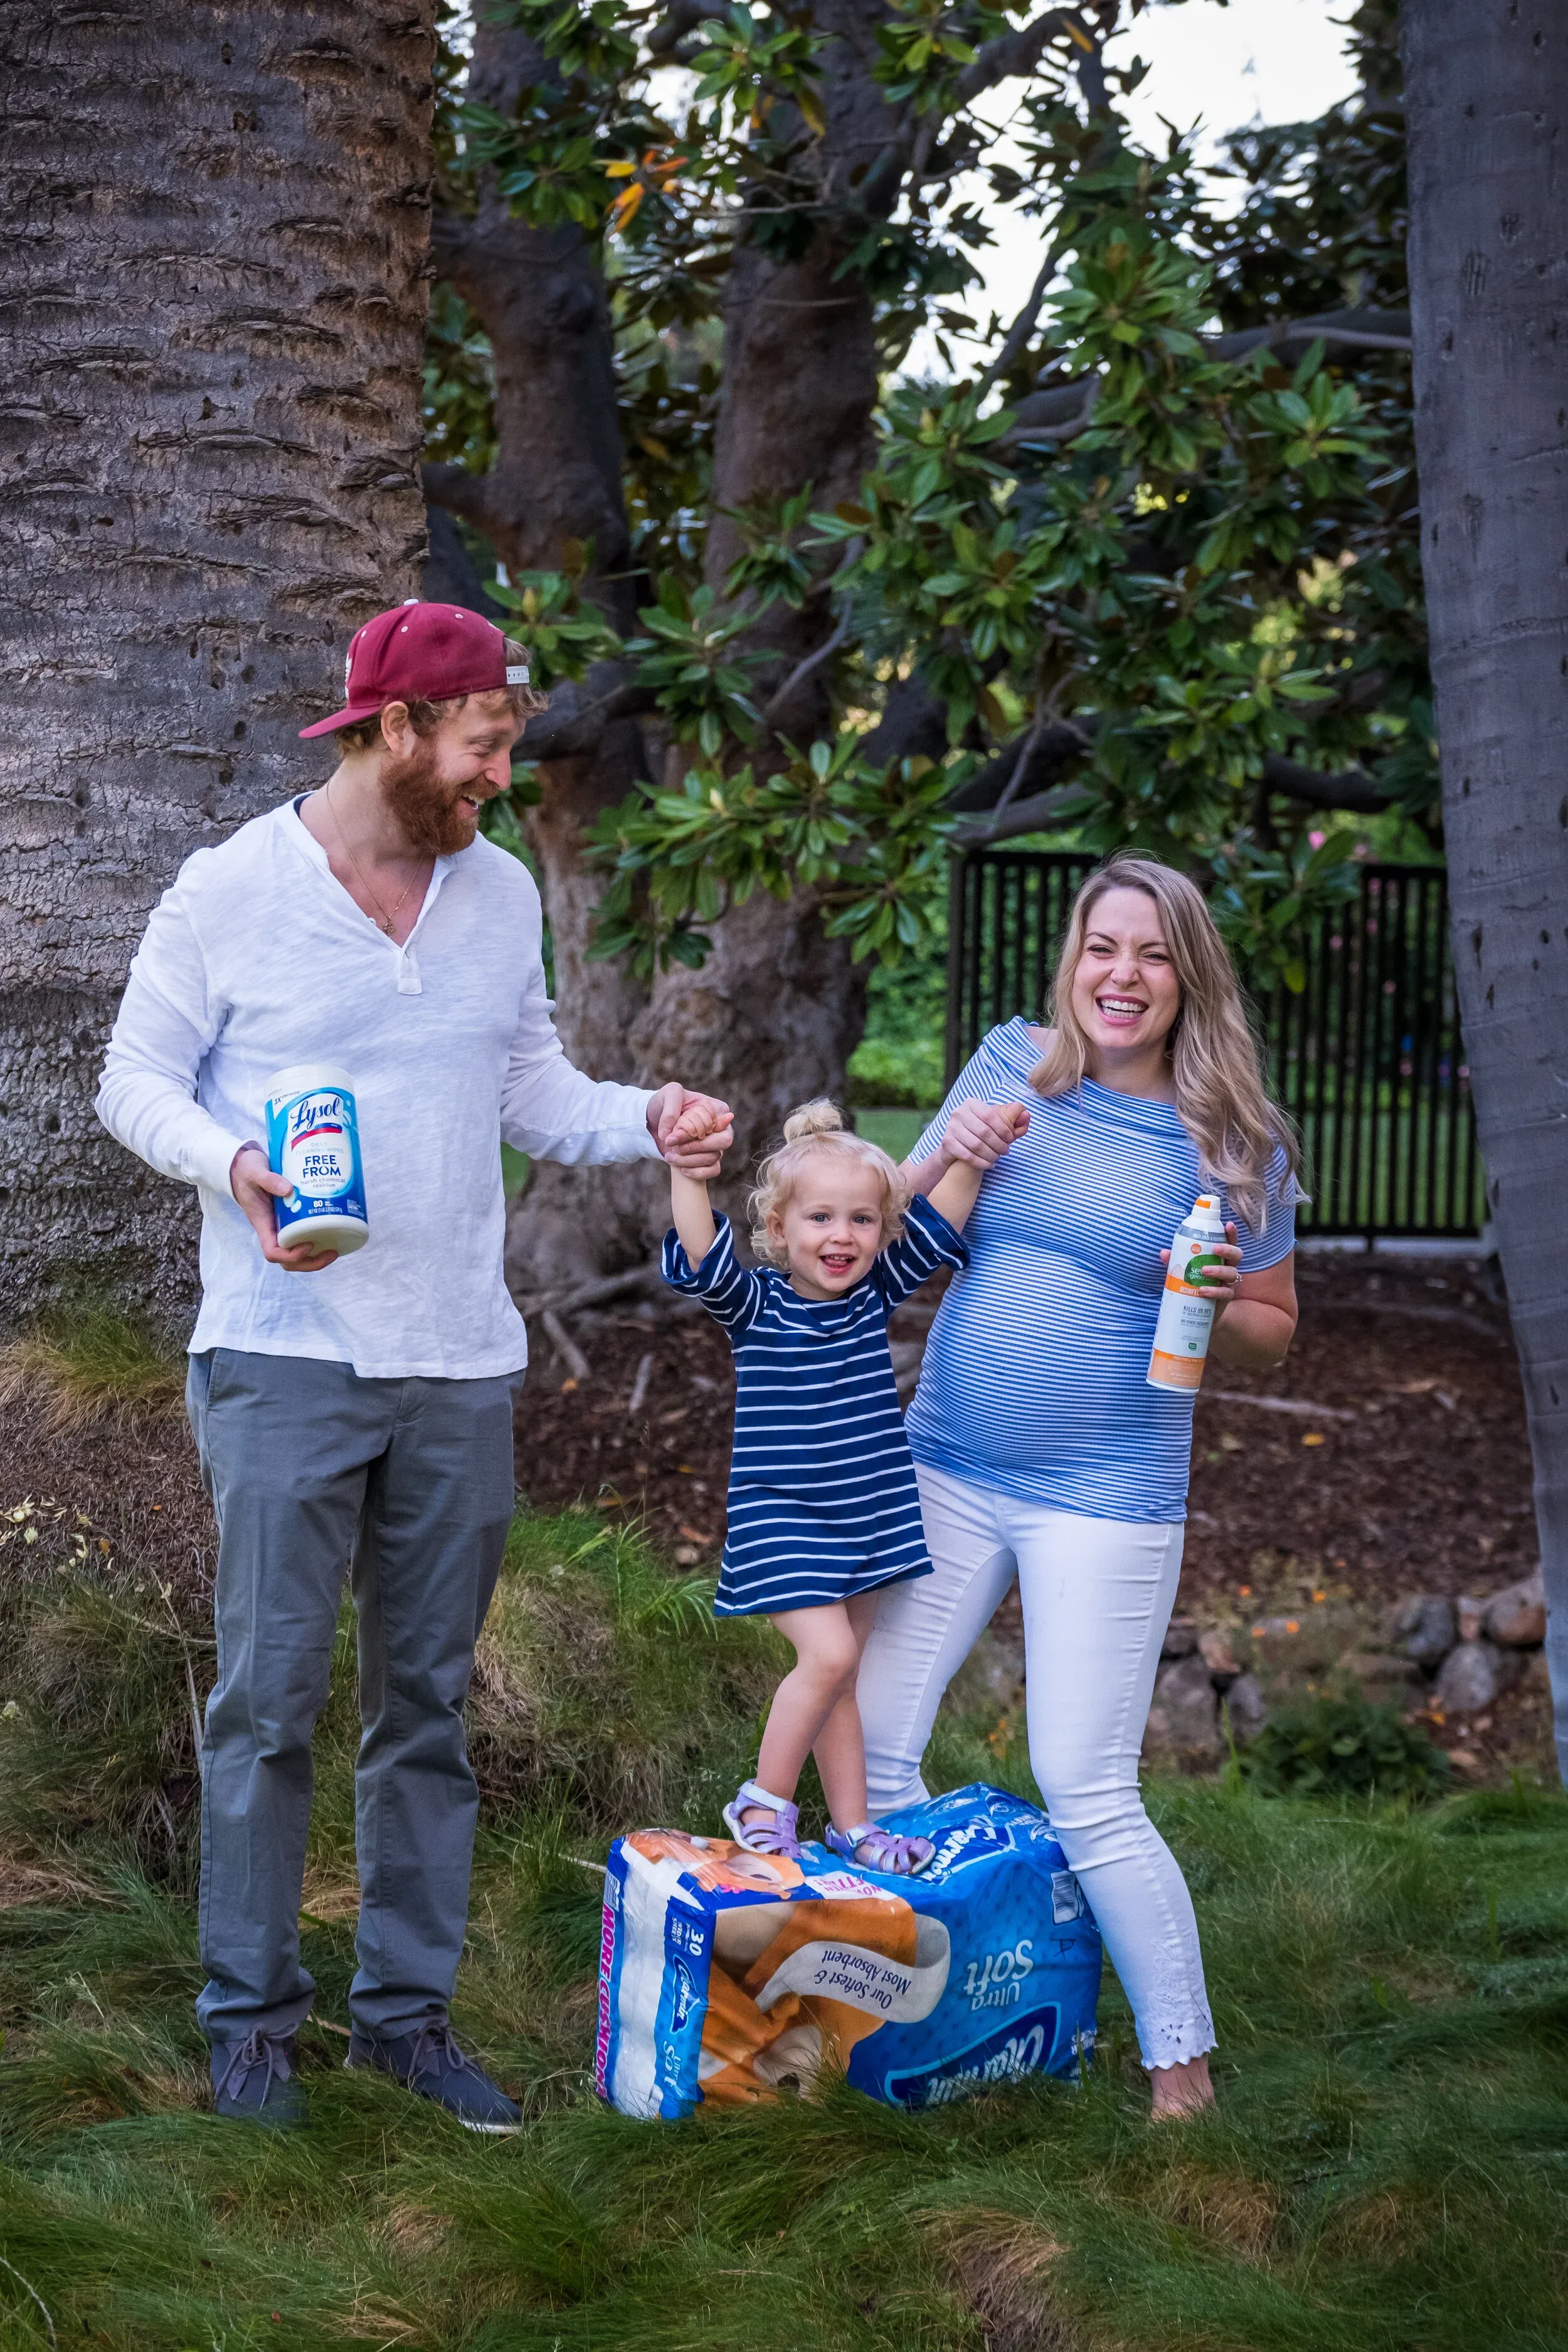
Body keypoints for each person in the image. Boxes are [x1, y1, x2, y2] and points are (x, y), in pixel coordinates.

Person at [95, 601, 732, 2130]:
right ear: (394, 729)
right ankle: (250, 2021)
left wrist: (645, 1116)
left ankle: (407, 2016)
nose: (502, 775)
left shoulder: (497, 892)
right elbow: (130, 1079)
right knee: (266, 1701)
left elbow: (530, 1085)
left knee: (424, 1706)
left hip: (457, 1360)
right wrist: (231, 1163)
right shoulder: (231, 889)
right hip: (281, 1351)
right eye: (486, 743)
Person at [856, 855, 1302, 2118]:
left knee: (1085, 1783)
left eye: (1151, 954)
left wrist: (1214, 1300)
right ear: (1072, 959)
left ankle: (1181, 2077)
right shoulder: (1009, 1065)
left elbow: (1272, 1323)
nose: (1122, 975)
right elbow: (893, 1216)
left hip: (1103, 1495)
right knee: (874, 1754)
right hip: (944, 1457)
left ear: (1185, 976)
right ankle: (962, 2010)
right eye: (1102, 948)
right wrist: (956, 1155)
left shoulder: (1231, 1136)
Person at [662, 1098, 1022, 1872]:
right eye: (820, 1218)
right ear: (780, 1231)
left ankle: (853, 1828)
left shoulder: (869, 1300)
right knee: (824, 1660)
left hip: (868, 1517)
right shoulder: (757, 1306)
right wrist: (686, 1172)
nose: (842, 1237)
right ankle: (763, 1801)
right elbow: (701, 1255)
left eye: (861, 1220)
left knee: (843, 1679)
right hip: (784, 1521)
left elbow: (933, 1229)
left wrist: (974, 1158)